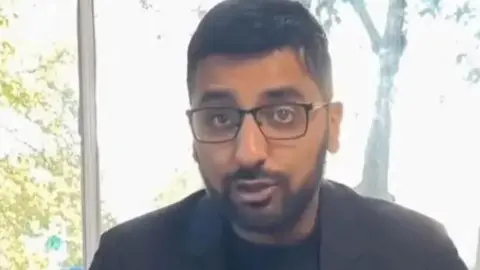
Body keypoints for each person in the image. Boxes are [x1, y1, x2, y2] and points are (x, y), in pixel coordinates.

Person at [89, 0, 468, 269]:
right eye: (220, 119)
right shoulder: (130, 258)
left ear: (332, 127)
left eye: (283, 114)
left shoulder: (418, 254)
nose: (248, 152)